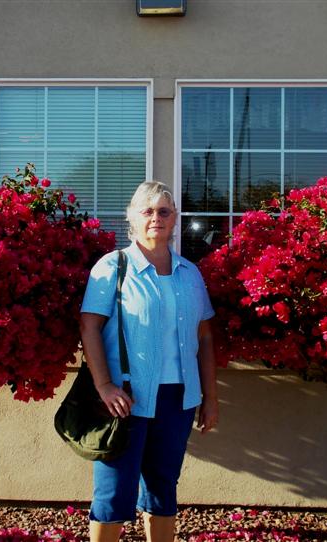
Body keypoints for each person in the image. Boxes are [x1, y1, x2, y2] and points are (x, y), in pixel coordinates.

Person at [80, 180, 219, 542]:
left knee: (163, 488)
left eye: (164, 211)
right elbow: (89, 327)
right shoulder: (112, 267)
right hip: (126, 398)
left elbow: (204, 337)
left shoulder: (190, 274)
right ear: (132, 218)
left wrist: (210, 397)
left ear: (175, 220)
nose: (156, 218)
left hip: (178, 399)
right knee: (113, 492)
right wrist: (104, 385)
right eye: (147, 211)